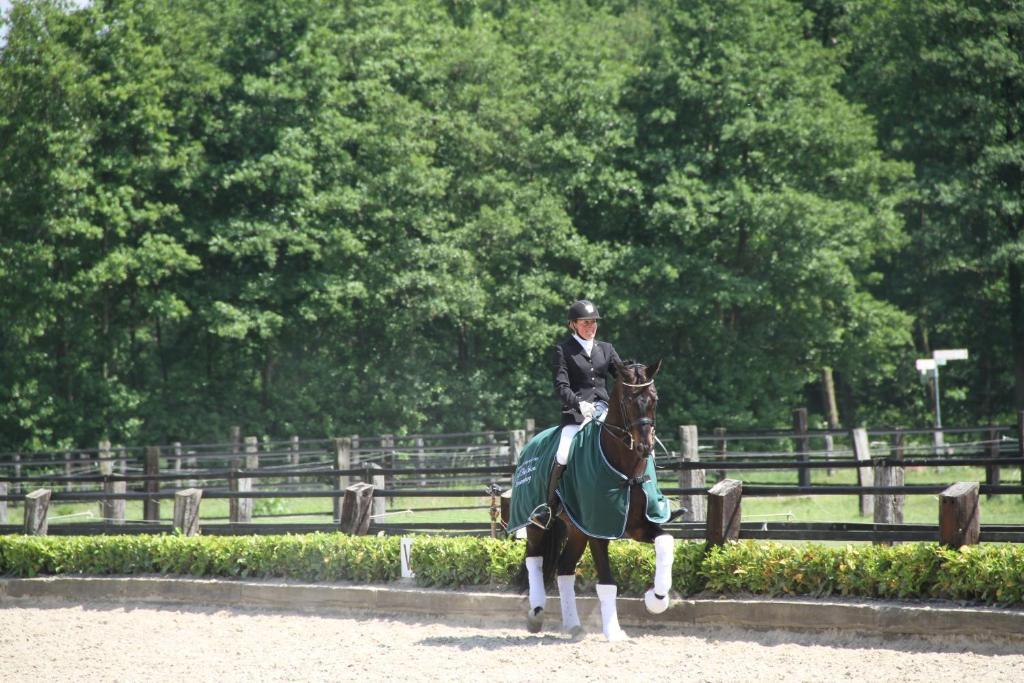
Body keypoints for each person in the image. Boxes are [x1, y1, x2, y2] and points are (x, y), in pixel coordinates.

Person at [529, 299, 622, 528]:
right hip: (577, 414)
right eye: (585, 323)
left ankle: (652, 500)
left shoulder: (607, 349)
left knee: (636, 441)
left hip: (605, 411)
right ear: (573, 324)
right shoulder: (563, 350)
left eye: (594, 323)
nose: (591, 327)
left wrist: (637, 374)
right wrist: (579, 404)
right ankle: (549, 508)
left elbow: (622, 374)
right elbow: (562, 386)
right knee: (563, 453)